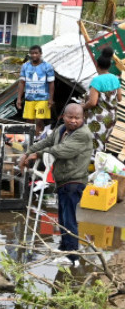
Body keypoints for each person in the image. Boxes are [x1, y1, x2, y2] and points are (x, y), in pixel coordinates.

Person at [18, 103, 93, 266]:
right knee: (63, 217)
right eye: (70, 117)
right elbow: (45, 142)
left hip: (75, 180)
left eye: (77, 118)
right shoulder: (60, 130)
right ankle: (64, 247)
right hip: (63, 180)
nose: (74, 121)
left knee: (69, 219)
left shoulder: (83, 134)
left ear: (83, 118)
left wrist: (37, 155)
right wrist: (28, 152)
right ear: (63, 117)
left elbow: (62, 150)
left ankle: (72, 257)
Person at [82, 46, 121, 154]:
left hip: (98, 118)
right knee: (102, 142)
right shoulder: (115, 78)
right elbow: (119, 98)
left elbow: (92, 102)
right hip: (111, 117)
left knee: (93, 144)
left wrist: (82, 107)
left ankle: (91, 166)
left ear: (97, 65)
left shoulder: (97, 81)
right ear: (109, 66)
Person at [16, 45, 56, 135]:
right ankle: (29, 138)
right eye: (32, 53)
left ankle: (37, 138)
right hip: (29, 98)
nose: (34, 55)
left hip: (43, 99)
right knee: (29, 120)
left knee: (39, 119)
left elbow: (51, 83)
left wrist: (50, 99)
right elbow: (22, 83)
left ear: (40, 54)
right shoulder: (25, 66)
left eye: (36, 53)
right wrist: (19, 98)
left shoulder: (47, 66)